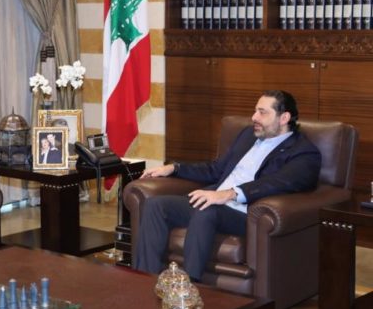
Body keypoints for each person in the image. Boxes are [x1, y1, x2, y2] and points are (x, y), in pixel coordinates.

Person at [133, 90, 322, 281]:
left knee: (207, 210)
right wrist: (174, 168)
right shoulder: (248, 135)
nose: (254, 117)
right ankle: (145, 280)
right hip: (215, 200)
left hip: (245, 213)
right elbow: (216, 169)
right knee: (156, 205)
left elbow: (277, 183)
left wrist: (229, 194)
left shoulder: (303, 153)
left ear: (284, 118)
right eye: (255, 111)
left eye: (262, 113)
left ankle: (188, 290)